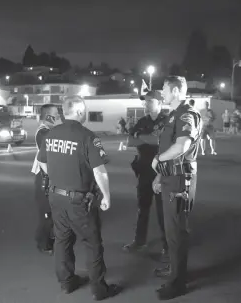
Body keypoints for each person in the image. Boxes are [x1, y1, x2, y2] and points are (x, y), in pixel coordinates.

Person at [37, 96, 122, 301]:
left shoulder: (50, 135)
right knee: (92, 242)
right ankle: (99, 290)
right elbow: (99, 171)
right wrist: (106, 196)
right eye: (83, 110)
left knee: (62, 240)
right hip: (78, 200)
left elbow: (42, 163)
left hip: (56, 197)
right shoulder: (87, 136)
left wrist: (55, 177)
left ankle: (67, 283)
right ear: (79, 112)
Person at [151, 76, 202, 300]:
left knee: (176, 232)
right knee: (172, 230)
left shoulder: (185, 114)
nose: (161, 93)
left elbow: (182, 146)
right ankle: (175, 270)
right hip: (171, 177)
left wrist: (157, 160)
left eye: (163, 89)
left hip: (180, 180)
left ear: (174, 90)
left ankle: (177, 283)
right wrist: (159, 177)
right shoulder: (174, 115)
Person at [123, 91, 168, 259]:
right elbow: (130, 141)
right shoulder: (142, 121)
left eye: (150, 101)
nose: (146, 104)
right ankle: (139, 241)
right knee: (143, 207)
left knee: (163, 211)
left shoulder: (167, 121)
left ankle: (168, 245)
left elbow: (161, 141)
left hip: (162, 170)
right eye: (145, 101)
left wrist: (140, 137)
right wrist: (148, 137)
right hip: (143, 170)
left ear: (160, 102)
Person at [31, 104, 62, 255]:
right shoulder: (43, 132)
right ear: (48, 116)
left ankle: (49, 238)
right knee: (46, 212)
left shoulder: (51, 131)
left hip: (52, 176)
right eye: (56, 114)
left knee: (53, 212)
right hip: (44, 177)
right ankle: (43, 243)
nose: (59, 117)